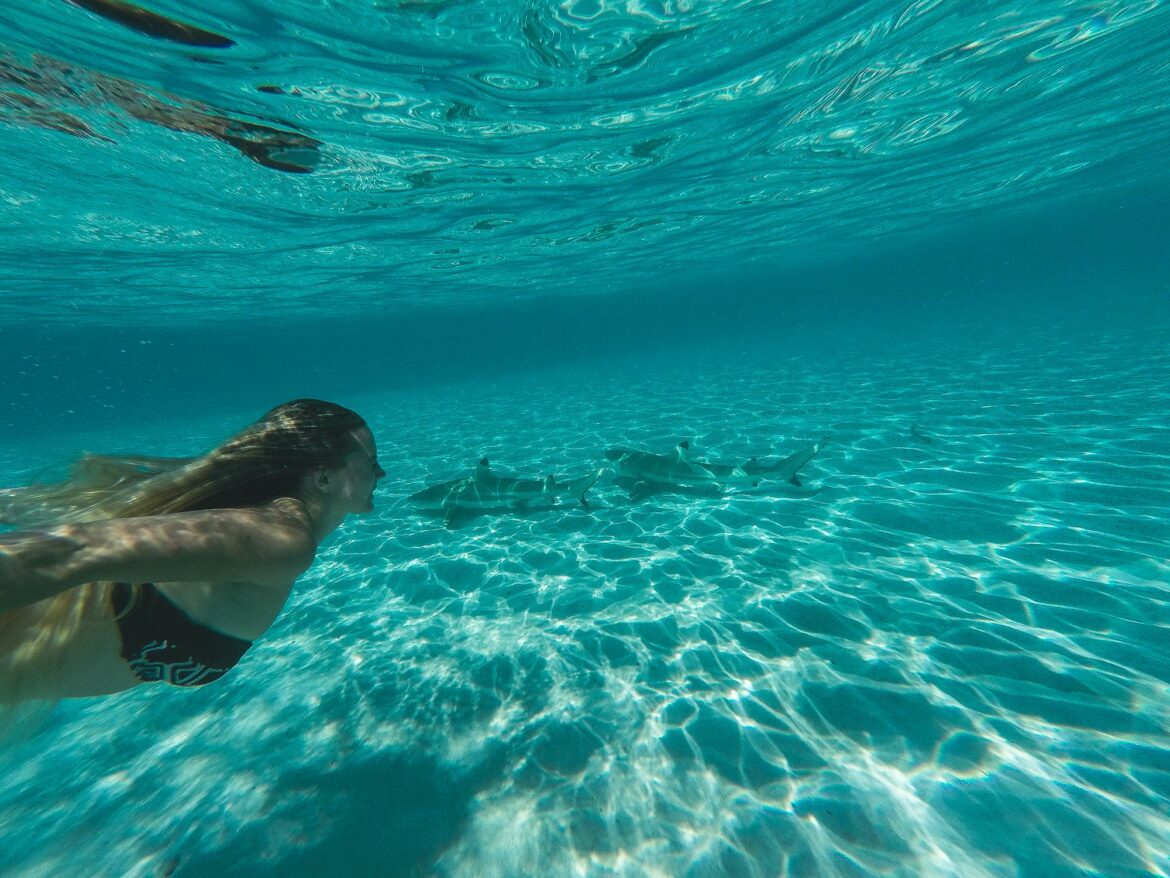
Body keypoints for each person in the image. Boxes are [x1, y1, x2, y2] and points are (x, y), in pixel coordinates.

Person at [0, 399, 385, 703]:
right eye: (370, 463)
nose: (381, 474)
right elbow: (68, 552)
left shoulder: (254, 519)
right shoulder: (281, 539)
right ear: (322, 477)